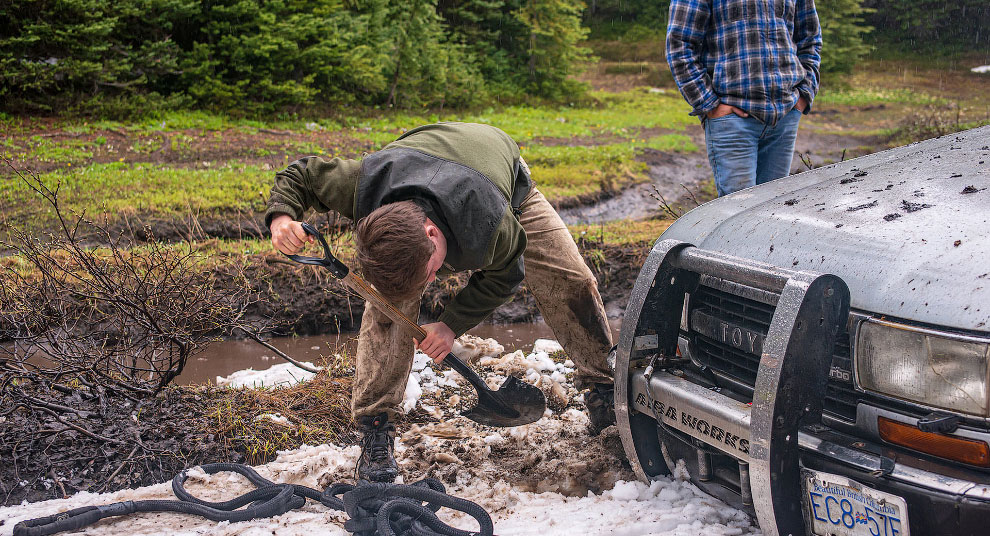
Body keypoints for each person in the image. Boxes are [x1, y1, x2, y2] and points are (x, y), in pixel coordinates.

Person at [265, 122, 616, 482]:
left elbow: (506, 274)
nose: (434, 281)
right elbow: (302, 175)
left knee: (571, 279)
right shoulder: (364, 185)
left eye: (431, 271)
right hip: (416, 161)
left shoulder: (492, 224)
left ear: (432, 235)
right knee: (389, 307)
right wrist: (281, 217)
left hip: (502, 186)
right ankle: (376, 426)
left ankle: (605, 391)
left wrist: (450, 325)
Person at [666, 0, 822, 196]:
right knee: (737, 212)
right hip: (731, 120)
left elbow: (811, 38)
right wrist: (709, 105)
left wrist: (804, 96)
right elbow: (679, 46)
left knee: (774, 209)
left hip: (785, 117)